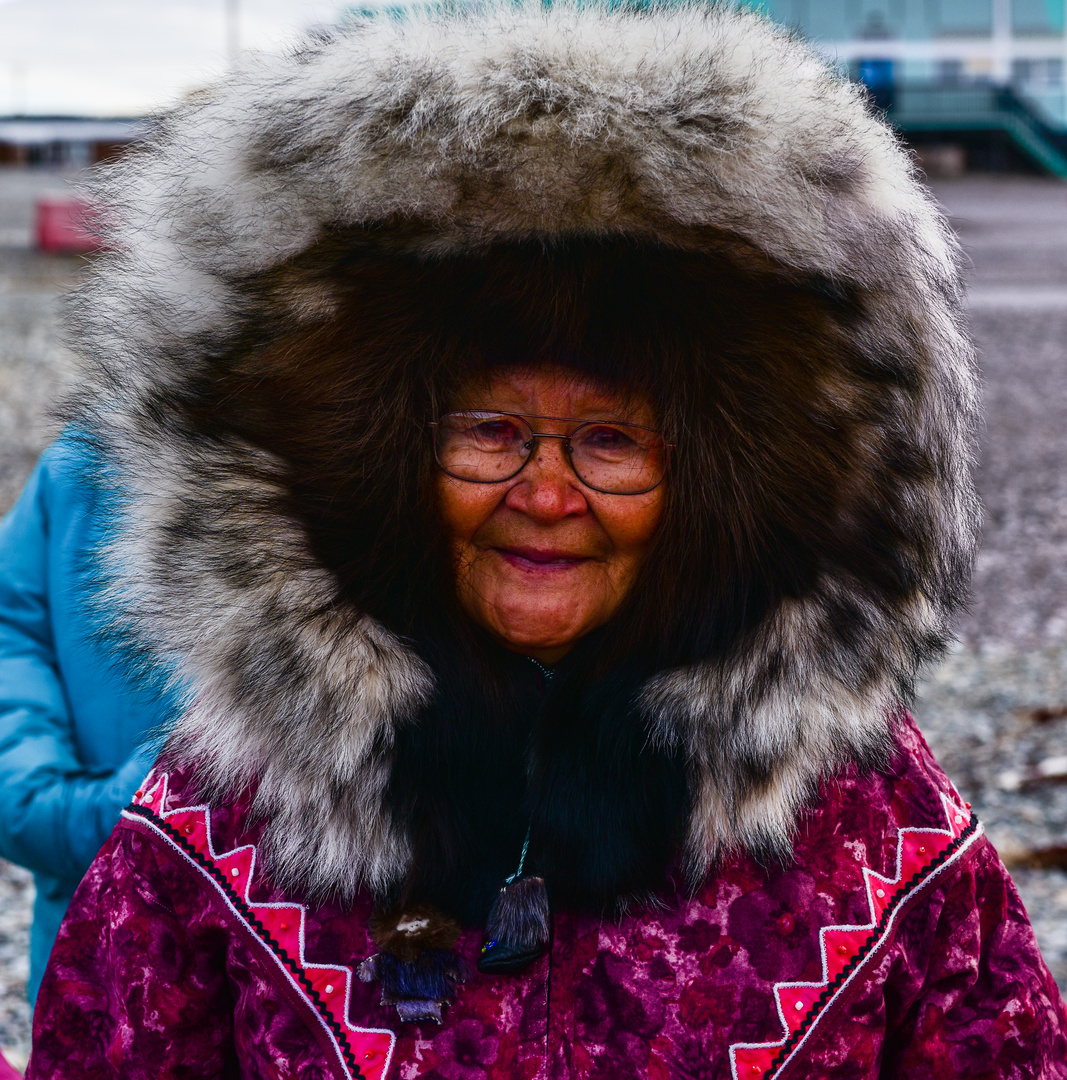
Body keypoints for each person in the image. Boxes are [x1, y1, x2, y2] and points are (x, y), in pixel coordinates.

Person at [28, 3, 1067, 1077]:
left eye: (610, 442)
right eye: (490, 432)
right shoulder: (233, 811)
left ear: (711, 484)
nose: (547, 493)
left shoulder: (860, 811)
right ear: (387, 458)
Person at [0, 436, 179, 1004]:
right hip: (85, 953)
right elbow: (15, 627)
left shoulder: (332, 463)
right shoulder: (82, 466)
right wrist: (43, 797)